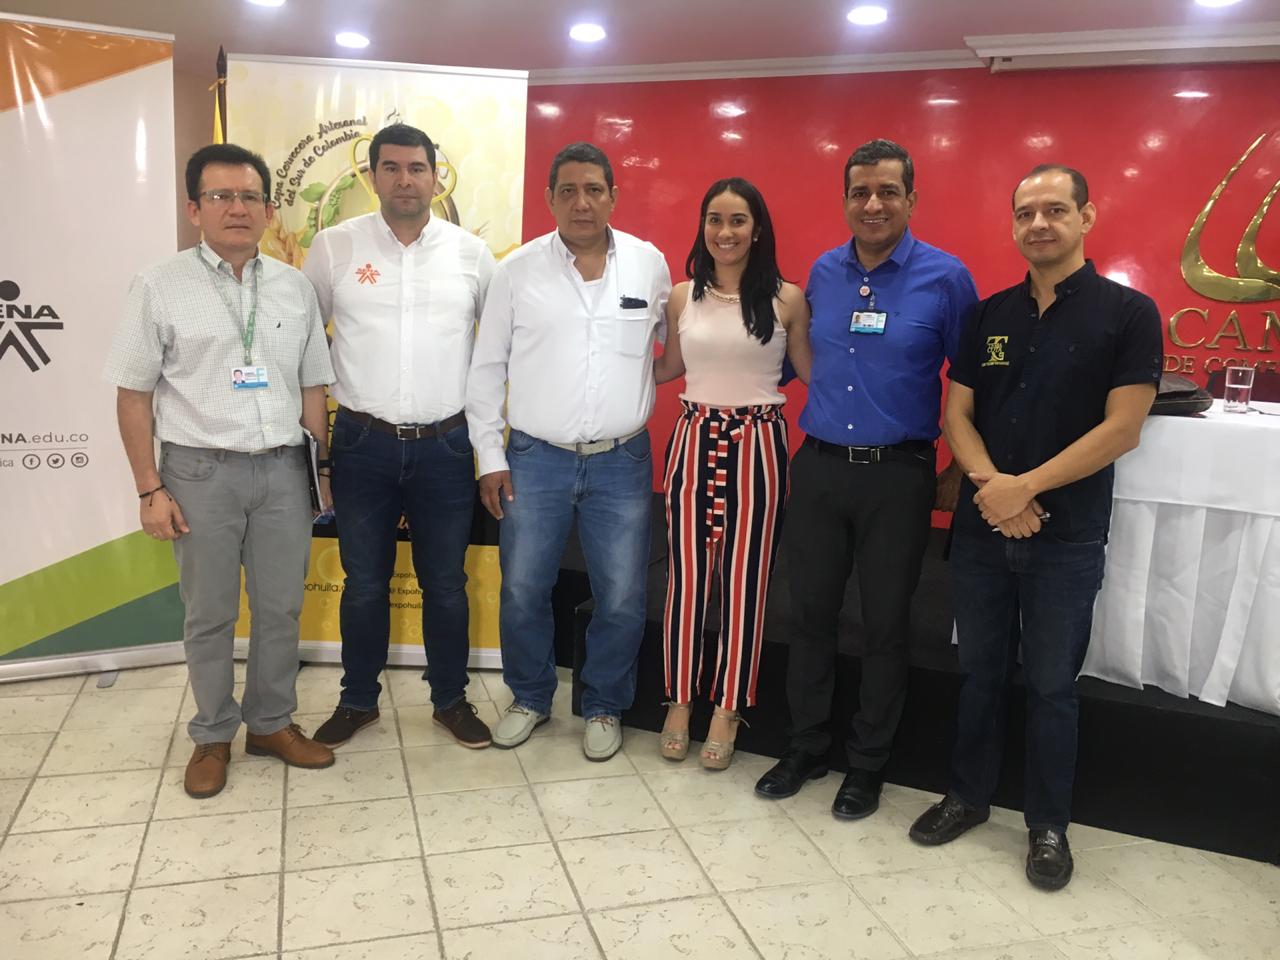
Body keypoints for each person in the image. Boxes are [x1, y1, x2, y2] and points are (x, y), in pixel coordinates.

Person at [908, 165, 1161, 890]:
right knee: (980, 674)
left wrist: (1026, 487)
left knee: (1052, 686)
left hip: (1067, 536)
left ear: (1087, 217)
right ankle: (967, 797)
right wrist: (994, 486)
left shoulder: (1128, 313)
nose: (1039, 223)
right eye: (1026, 212)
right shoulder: (990, 313)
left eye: (1055, 209)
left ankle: (1048, 825)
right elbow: (957, 413)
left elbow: (1124, 428)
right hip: (985, 531)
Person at [105, 143, 337, 799]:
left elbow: (312, 388)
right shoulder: (159, 285)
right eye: (221, 196)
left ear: (268, 209)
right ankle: (212, 734)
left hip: (284, 472)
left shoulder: (293, 286)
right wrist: (149, 488)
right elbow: (132, 394)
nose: (238, 208)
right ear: (194, 209)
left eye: (250, 197)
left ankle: (271, 723)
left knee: (280, 608)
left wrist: (319, 472)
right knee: (208, 612)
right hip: (198, 473)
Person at [754, 139, 977, 819]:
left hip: (898, 477)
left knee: (885, 625)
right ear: (846, 199)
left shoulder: (947, 278)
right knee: (809, 615)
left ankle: (868, 764)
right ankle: (805, 746)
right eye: (860, 192)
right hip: (819, 468)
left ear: (912, 199)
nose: (873, 204)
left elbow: (973, 383)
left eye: (887, 191)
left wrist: (958, 467)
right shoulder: (822, 274)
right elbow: (787, 357)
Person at [466, 142, 671, 761]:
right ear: (549, 198)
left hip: (621, 459)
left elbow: (670, 344)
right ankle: (530, 697)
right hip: (535, 458)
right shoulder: (516, 271)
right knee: (523, 588)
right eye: (568, 191)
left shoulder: (648, 265)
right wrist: (490, 457)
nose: (582, 202)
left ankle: (604, 703)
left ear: (613, 195)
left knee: (623, 594)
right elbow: (486, 368)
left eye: (594, 190)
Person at [303, 123, 496, 749]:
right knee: (363, 583)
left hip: (446, 445)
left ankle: (451, 701)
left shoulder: (472, 255)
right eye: (391, 168)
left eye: (417, 168)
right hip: (362, 444)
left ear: (436, 177)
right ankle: (358, 701)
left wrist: (491, 448)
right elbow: (304, 351)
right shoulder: (334, 247)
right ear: (373, 176)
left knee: (446, 584)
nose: (404, 180)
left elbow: (496, 354)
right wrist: (318, 458)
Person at [652, 177, 810, 769]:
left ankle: (727, 706)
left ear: (757, 228)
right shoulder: (680, 297)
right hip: (693, 439)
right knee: (687, 580)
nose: (725, 231)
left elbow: (811, 371)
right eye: (715, 219)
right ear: (703, 227)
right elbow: (667, 368)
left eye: (738, 220)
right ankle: (678, 700)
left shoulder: (788, 299)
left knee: (746, 583)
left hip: (758, 443)